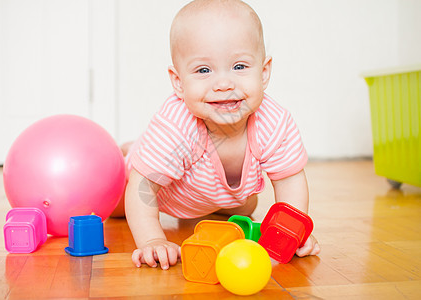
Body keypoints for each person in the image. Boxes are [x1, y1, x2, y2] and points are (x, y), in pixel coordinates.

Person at [113, 0, 321, 270]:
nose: (224, 84)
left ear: (264, 72)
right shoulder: (177, 126)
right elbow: (142, 188)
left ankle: (211, 201)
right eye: (203, 70)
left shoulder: (274, 122)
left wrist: (291, 233)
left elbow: (290, 181)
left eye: (239, 67)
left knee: (246, 206)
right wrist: (152, 239)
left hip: (209, 194)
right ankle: (131, 152)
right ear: (178, 83)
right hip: (154, 187)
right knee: (115, 204)